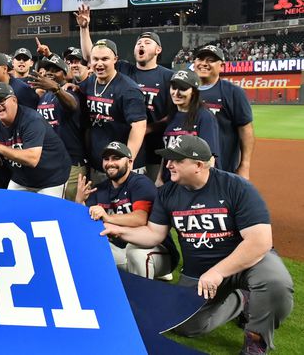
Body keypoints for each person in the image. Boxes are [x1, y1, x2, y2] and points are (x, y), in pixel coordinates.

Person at [100, 136, 293, 355]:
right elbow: (154, 234)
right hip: (200, 271)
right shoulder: (167, 194)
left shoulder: (236, 187)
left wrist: (219, 272)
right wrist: (120, 231)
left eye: (176, 160)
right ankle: (241, 299)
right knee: (185, 325)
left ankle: (256, 339)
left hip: (247, 262)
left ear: (199, 165)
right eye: (168, 159)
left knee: (276, 283)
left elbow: (260, 242)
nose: (168, 164)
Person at [76, 7, 174, 180]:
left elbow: (174, 113)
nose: (142, 45)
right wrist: (84, 29)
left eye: (147, 42)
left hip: (151, 144)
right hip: (119, 142)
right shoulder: (124, 68)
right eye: (139, 43)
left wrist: (147, 128)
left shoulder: (167, 76)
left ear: (158, 50)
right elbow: (92, 56)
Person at [76, 142, 177, 279]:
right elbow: (85, 225)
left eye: (116, 158)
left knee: (136, 253)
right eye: (107, 159)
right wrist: (79, 201)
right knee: (84, 250)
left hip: (154, 250)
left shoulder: (140, 183)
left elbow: (140, 218)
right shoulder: (99, 189)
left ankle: (142, 297)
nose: (110, 163)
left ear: (130, 162)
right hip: (120, 248)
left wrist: (108, 218)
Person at [0, 82, 71, 195]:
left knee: (46, 212)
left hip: (51, 178)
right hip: (22, 178)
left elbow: (32, 159)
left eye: (1, 101)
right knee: (12, 211)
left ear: (14, 100)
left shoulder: (31, 120)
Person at [78, 39, 148, 182]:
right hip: (98, 164)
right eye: (95, 59)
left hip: (124, 166)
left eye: (105, 59)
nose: (99, 63)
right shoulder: (90, 82)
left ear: (115, 59)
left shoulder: (129, 89)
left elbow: (139, 126)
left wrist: (128, 160)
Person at [28, 55, 85, 200]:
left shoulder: (70, 91)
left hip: (71, 162)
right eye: (47, 69)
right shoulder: (44, 97)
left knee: (71, 206)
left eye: (56, 70)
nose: (49, 73)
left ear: (65, 74)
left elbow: (72, 104)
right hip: (51, 162)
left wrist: (57, 89)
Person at [193, 45, 254, 179]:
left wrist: (245, 165)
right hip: (188, 167)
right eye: (200, 59)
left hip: (222, 167)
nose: (203, 63)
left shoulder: (233, 92)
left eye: (210, 60)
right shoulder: (184, 91)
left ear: (222, 66)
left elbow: (245, 129)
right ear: (194, 63)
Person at [159, 69, 220, 185]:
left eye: (182, 89)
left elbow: (209, 158)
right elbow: (167, 151)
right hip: (170, 183)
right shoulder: (172, 116)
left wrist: (206, 186)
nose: (176, 93)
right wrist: (160, 178)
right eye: (173, 87)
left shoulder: (204, 117)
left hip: (192, 184)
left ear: (194, 92)